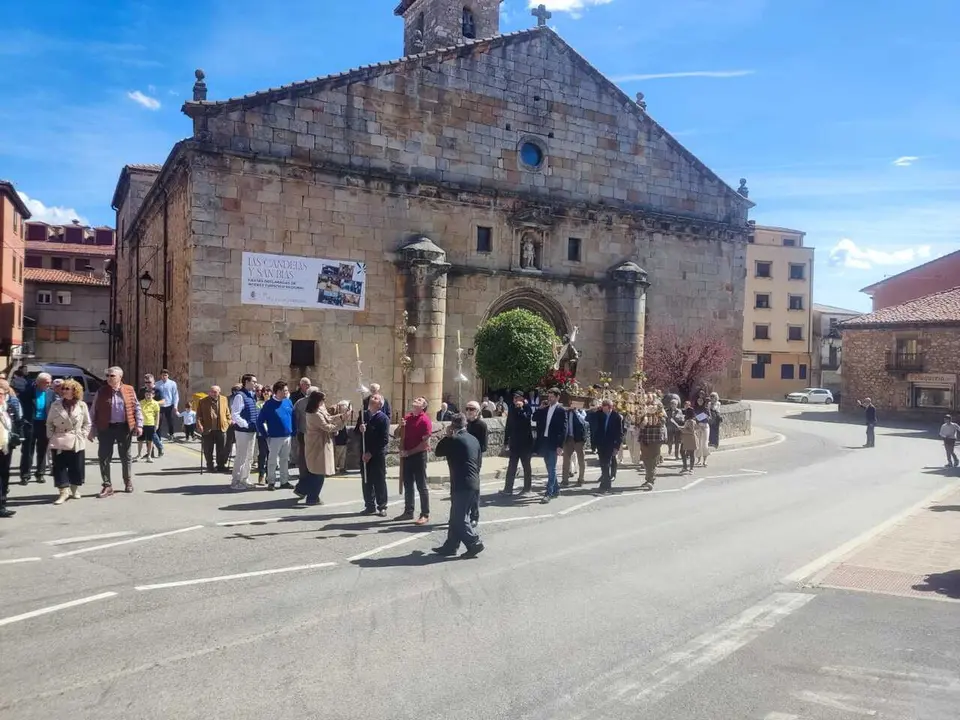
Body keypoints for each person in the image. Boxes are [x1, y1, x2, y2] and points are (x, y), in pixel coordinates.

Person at [432, 413, 485, 558]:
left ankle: (474, 543)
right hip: (473, 482)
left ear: (452, 426)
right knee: (456, 516)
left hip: (462, 484)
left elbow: (438, 451)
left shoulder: (455, 439)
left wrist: (448, 436)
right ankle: (451, 546)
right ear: (465, 424)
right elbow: (479, 461)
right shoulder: (473, 439)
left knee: (458, 518)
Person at [89, 366, 143, 497]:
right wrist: (91, 429)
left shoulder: (129, 390)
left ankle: (127, 481)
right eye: (107, 375)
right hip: (106, 427)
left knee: (125, 456)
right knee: (104, 457)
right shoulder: (101, 391)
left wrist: (139, 424)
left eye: (111, 375)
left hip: (124, 427)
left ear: (120, 377)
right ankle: (107, 486)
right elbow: (93, 410)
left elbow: (136, 407)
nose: (108, 378)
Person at [46, 379, 92, 505]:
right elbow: (49, 422)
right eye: (63, 388)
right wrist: (51, 436)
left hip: (76, 439)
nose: (64, 390)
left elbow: (87, 423)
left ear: (74, 391)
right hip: (59, 438)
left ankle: (74, 489)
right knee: (59, 467)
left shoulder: (82, 405)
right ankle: (63, 492)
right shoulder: (56, 405)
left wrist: (83, 435)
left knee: (76, 466)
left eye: (67, 388)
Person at [301, 390, 344, 505]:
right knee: (318, 472)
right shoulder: (314, 413)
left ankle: (303, 490)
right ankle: (312, 497)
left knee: (315, 471)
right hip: (317, 445)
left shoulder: (318, 410)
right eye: (323, 399)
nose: (324, 402)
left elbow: (328, 418)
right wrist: (341, 423)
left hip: (320, 443)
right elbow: (327, 426)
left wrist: (340, 416)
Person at [394, 396, 432, 524]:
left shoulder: (425, 421)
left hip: (419, 456)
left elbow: (424, 444)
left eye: (420, 400)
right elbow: (396, 434)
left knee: (421, 485)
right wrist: (401, 426)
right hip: (407, 456)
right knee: (408, 484)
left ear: (423, 407)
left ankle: (425, 514)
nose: (416, 400)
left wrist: (408, 452)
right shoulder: (407, 417)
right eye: (416, 399)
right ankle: (408, 511)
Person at [256, 380, 296, 491]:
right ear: (278, 391)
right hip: (274, 437)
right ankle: (271, 481)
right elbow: (259, 421)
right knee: (272, 460)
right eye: (285, 391)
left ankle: (284, 481)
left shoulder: (288, 402)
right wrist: (265, 434)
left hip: (287, 436)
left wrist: (293, 431)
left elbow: (293, 417)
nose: (287, 393)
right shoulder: (268, 405)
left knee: (284, 460)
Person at [18, 372, 55, 484]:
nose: (48, 385)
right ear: (38, 382)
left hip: (44, 424)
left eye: (49, 383)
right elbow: (21, 406)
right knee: (27, 450)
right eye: (46, 383)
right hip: (30, 423)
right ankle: (25, 475)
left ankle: (40, 473)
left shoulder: (50, 393)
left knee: (42, 450)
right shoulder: (28, 392)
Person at [358, 393, 390, 516]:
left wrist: (371, 453)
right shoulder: (363, 415)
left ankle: (382, 506)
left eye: (376, 398)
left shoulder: (383, 418)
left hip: (377, 454)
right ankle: (369, 505)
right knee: (366, 480)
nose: (372, 399)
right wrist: (360, 429)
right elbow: (356, 432)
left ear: (380, 404)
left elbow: (384, 439)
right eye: (372, 397)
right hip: (364, 452)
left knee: (379, 480)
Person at [533, 387, 566, 502]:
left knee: (551, 468)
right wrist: (540, 408)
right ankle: (556, 489)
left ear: (557, 397)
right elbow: (534, 418)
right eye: (549, 396)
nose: (550, 399)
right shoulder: (545, 409)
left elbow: (563, 430)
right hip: (544, 441)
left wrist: (560, 446)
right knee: (549, 467)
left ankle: (549, 493)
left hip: (554, 443)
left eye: (552, 397)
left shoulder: (561, 411)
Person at [229, 374, 259, 490]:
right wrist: (245, 424)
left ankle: (244, 478)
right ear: (246, 382)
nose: (256, 384)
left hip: (252, 430)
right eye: (254, 382)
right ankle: (235, 481)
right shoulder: (240, 396)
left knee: (249, 457)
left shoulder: (251, 396)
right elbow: (235, 414)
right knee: (241, 456)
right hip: (243, 431)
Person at [501, 391, 534, 496]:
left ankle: (527, 488)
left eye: (518, 398)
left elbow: (526, 420)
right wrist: (506, 441)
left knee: (526, 466)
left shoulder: (527, 407)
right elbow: (509, 425)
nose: (516, 400)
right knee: (511, 466)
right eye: (514, 398)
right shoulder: (511, 407)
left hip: (526, 443)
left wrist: (520, 408)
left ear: (522, 399)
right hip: (514, 442)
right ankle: (508, 488)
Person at [0, 380, 23, 518]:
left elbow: (14, 423)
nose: (1, 397)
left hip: (5, 447)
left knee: (4, 475)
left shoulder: (6, 408)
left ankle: (2, 503)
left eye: (3, 394)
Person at [464, 401, 488, 526]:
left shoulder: (481, 425)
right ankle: (463, 514)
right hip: (462, 461)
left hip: (474, 461)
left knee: (474, 489)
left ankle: (475, 516)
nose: (469, 411)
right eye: (467, 409)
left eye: (472, 409)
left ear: (477, 411)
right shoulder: (464, 424)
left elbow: (484, 446)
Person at [197, 385, 231, 472]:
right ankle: (210, 465)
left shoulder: (224, 399)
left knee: (221, 448)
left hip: (221, 427)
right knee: (208, 449)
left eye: (215, 392)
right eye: (211, 392)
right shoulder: (203, 401)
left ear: (219, 392)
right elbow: (198, 415)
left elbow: (227, 412)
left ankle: (220, 465)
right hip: (208, 428)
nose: (213, 394)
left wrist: (228, 422)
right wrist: (200, 425)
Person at [292, 386, 319, 494]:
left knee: (304, 458)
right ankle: (305, 484)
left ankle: (303, 483)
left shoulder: (299, 402)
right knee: (310, 460)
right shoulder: (315, 403)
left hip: (303, 433)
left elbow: (295, 417)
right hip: (309, 434)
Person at [593, 398, 624, 492]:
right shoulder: (599, 414)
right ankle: (605, 480)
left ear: (609, 407)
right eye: (602, 406)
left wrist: (616, 447)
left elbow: (620, 433)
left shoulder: (616, 416)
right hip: (601, 443)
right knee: (602, 463)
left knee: (606, 463)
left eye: (604, 407)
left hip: (611, 443)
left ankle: (606, 484)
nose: (602, 408)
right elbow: (591, 420)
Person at [637, 398, 666, 491]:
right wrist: (642, 421)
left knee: (652, 462)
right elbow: (639, 425)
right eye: (650, 405)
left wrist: (657, 414)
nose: (651, 407)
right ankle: (648, 478)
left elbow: (662, 423)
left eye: (654, 405)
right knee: (646, 461)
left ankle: (651, 480)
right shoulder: (644, 414)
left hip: (655, 441)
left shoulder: (661, 416)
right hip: (644, 440)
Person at [561, 404, 588, 487]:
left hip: (578, 439)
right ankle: (565, 480)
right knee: (566, 460)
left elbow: (582, 421)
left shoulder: (581, 411)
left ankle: (581, 479)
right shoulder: (565, 412)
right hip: (568, 439)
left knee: (581, 460)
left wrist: (576, 411)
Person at [139, 374, 165, 458]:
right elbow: (139, 401)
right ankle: (150, 453)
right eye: (146, 382)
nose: (147, 384)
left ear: (153, 381)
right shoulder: (142, 390)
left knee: (154, 433)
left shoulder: (158, 390)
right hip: (145, 415)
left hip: (156, 415)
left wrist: (153, 403)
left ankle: (160, 448)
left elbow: (163, 401)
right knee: (147, 435)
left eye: (149, 382)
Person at [135, 388, 161, 463]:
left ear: (153, 395)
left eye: (150, 395)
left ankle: (149, 455)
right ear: (144, 395)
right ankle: (139, 454)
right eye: (147, 394)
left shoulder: (155, 403)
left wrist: (157, 424)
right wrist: (136, 424)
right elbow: (137, 413)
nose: (148, 396)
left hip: (150, 424)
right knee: (140, 440)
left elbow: (157, 415)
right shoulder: (140, 402)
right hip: (141, 424)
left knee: (150, 441)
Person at [154, 369, 180, 440]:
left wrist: (175, 406)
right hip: (160, 406)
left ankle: (171, 434)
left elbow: (175, 395)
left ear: (168, 375)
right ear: (160, 375)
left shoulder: (172, 383)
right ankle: (158, 436)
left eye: (165, 375)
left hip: (169, 405)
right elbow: (154, 395)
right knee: (159, 420)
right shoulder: (157, 384)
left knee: (170, 420)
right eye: (163, 375)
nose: (164, 376)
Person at [333, 400, 351, 474]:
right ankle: (334, 467)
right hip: (339, 438)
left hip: (343, 437)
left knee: (343, 454)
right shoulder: (338, 416)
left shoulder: (342, 416)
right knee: (337, 454)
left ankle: (342, 467)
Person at [679, 407, 698, 474]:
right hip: (686, 438)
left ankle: (691, 468)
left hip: (690, 438)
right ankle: (685, 467)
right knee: (682, 451)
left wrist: (682, 429)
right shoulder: (688, 421)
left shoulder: (692, 421)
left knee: (691, 453)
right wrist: (682, 428)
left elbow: (691, 431)